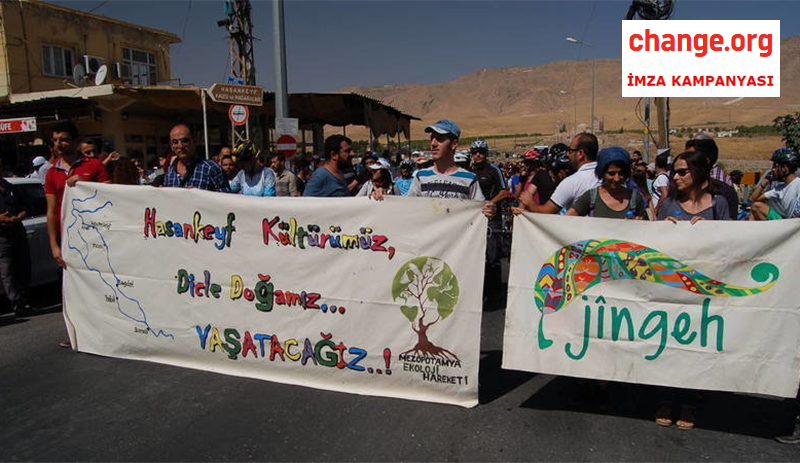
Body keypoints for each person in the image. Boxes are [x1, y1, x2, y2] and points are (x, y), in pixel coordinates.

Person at [44, 121, 110, 347]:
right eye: (54, 140)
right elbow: (51, 212)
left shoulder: (95, 166)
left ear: (75, 140)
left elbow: (111, 196)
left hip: (95, 238)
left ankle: (106, 333)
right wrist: (54, 246)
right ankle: (77, 335)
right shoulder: (52, 173)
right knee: (73, 290)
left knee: (100, 287)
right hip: (68, 241)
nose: (59, 144)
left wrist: (86, 184)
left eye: (63, 139)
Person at [398, 120, 494, 219]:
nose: (433, 143)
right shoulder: (421, 176)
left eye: (440, 139)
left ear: (454, 144)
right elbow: (408, 208)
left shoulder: (469, 179)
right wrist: (383, 198)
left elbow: (480, 211)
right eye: (432, 138)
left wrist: (489, 210)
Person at [526, 133, 600, 214]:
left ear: (580, 154)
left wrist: (530, 203)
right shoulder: (605, 176)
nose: (568, 154)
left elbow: (547, 212)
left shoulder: (572, 182)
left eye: (570, 150)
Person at [566, 147, 647, 219]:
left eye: (621, 173)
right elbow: (565, 221)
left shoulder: (635, 198)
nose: (616, 178)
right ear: (602, 173)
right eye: (611, 173)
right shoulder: (591, 197)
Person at [657, 150, 729, 223]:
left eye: (682, 172)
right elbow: (656, 233)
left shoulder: (719, 203)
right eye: (674, 172)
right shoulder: (668, 204)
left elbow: (725, 232)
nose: (675, 177)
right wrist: (664, 226)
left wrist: (708, 227)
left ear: (697, 171)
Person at [0, 157, 31, 318]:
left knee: (23, 268)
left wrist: (19, 216)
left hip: (18, 232)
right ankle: (17, 304)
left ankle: (25, 300)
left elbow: (25, 207)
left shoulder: (11, 187)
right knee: (7, 272)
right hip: (2, 237)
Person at [162, 124, 230, 192]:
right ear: (171, 146)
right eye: (175, 142)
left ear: (194, 141)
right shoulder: (170, 172)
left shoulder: (212, 169)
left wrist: (198, 195)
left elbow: (225, 199)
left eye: (185, 140)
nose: (180, 146)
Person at [685, 138, 737, 218]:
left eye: (690, 157)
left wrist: (708, 225)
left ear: (706, 161)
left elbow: (729, 225)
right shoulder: (677, 190)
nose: (684, 160)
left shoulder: (725, 192)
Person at [749, 148, 800, 220]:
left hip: (795, 225)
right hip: (787, 223)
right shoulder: (779, 189)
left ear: (784, 168)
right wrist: (765, 181)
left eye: (775, 166)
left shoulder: (798, 184)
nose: (773, 169)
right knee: (756, 206)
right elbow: (753, 199)